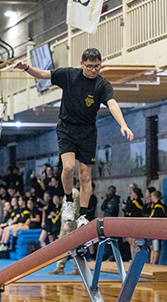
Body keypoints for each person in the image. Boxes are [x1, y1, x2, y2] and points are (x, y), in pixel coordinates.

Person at [15, 48, 134, 223]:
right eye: (90, 66)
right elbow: (42, 74)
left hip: (87, 132)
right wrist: (27, 68)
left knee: (86, 176)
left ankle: (83, 215)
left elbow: (112, 104)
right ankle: (69, 201)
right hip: (67, 129)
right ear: (81, 64)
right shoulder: (69, 75)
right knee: (69, 168)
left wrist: (123, 124)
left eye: (97, 66)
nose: (94, 70)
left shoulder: (102, 85)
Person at [148, 191, 167, 264]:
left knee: (155, 247)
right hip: (152, 229)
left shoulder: (159, 206)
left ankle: (154, 263)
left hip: (157, 229)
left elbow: (156, 218)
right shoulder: (154, 206)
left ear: (154, 196)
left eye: (152, 196)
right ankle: (151, 262)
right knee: (151, 247)